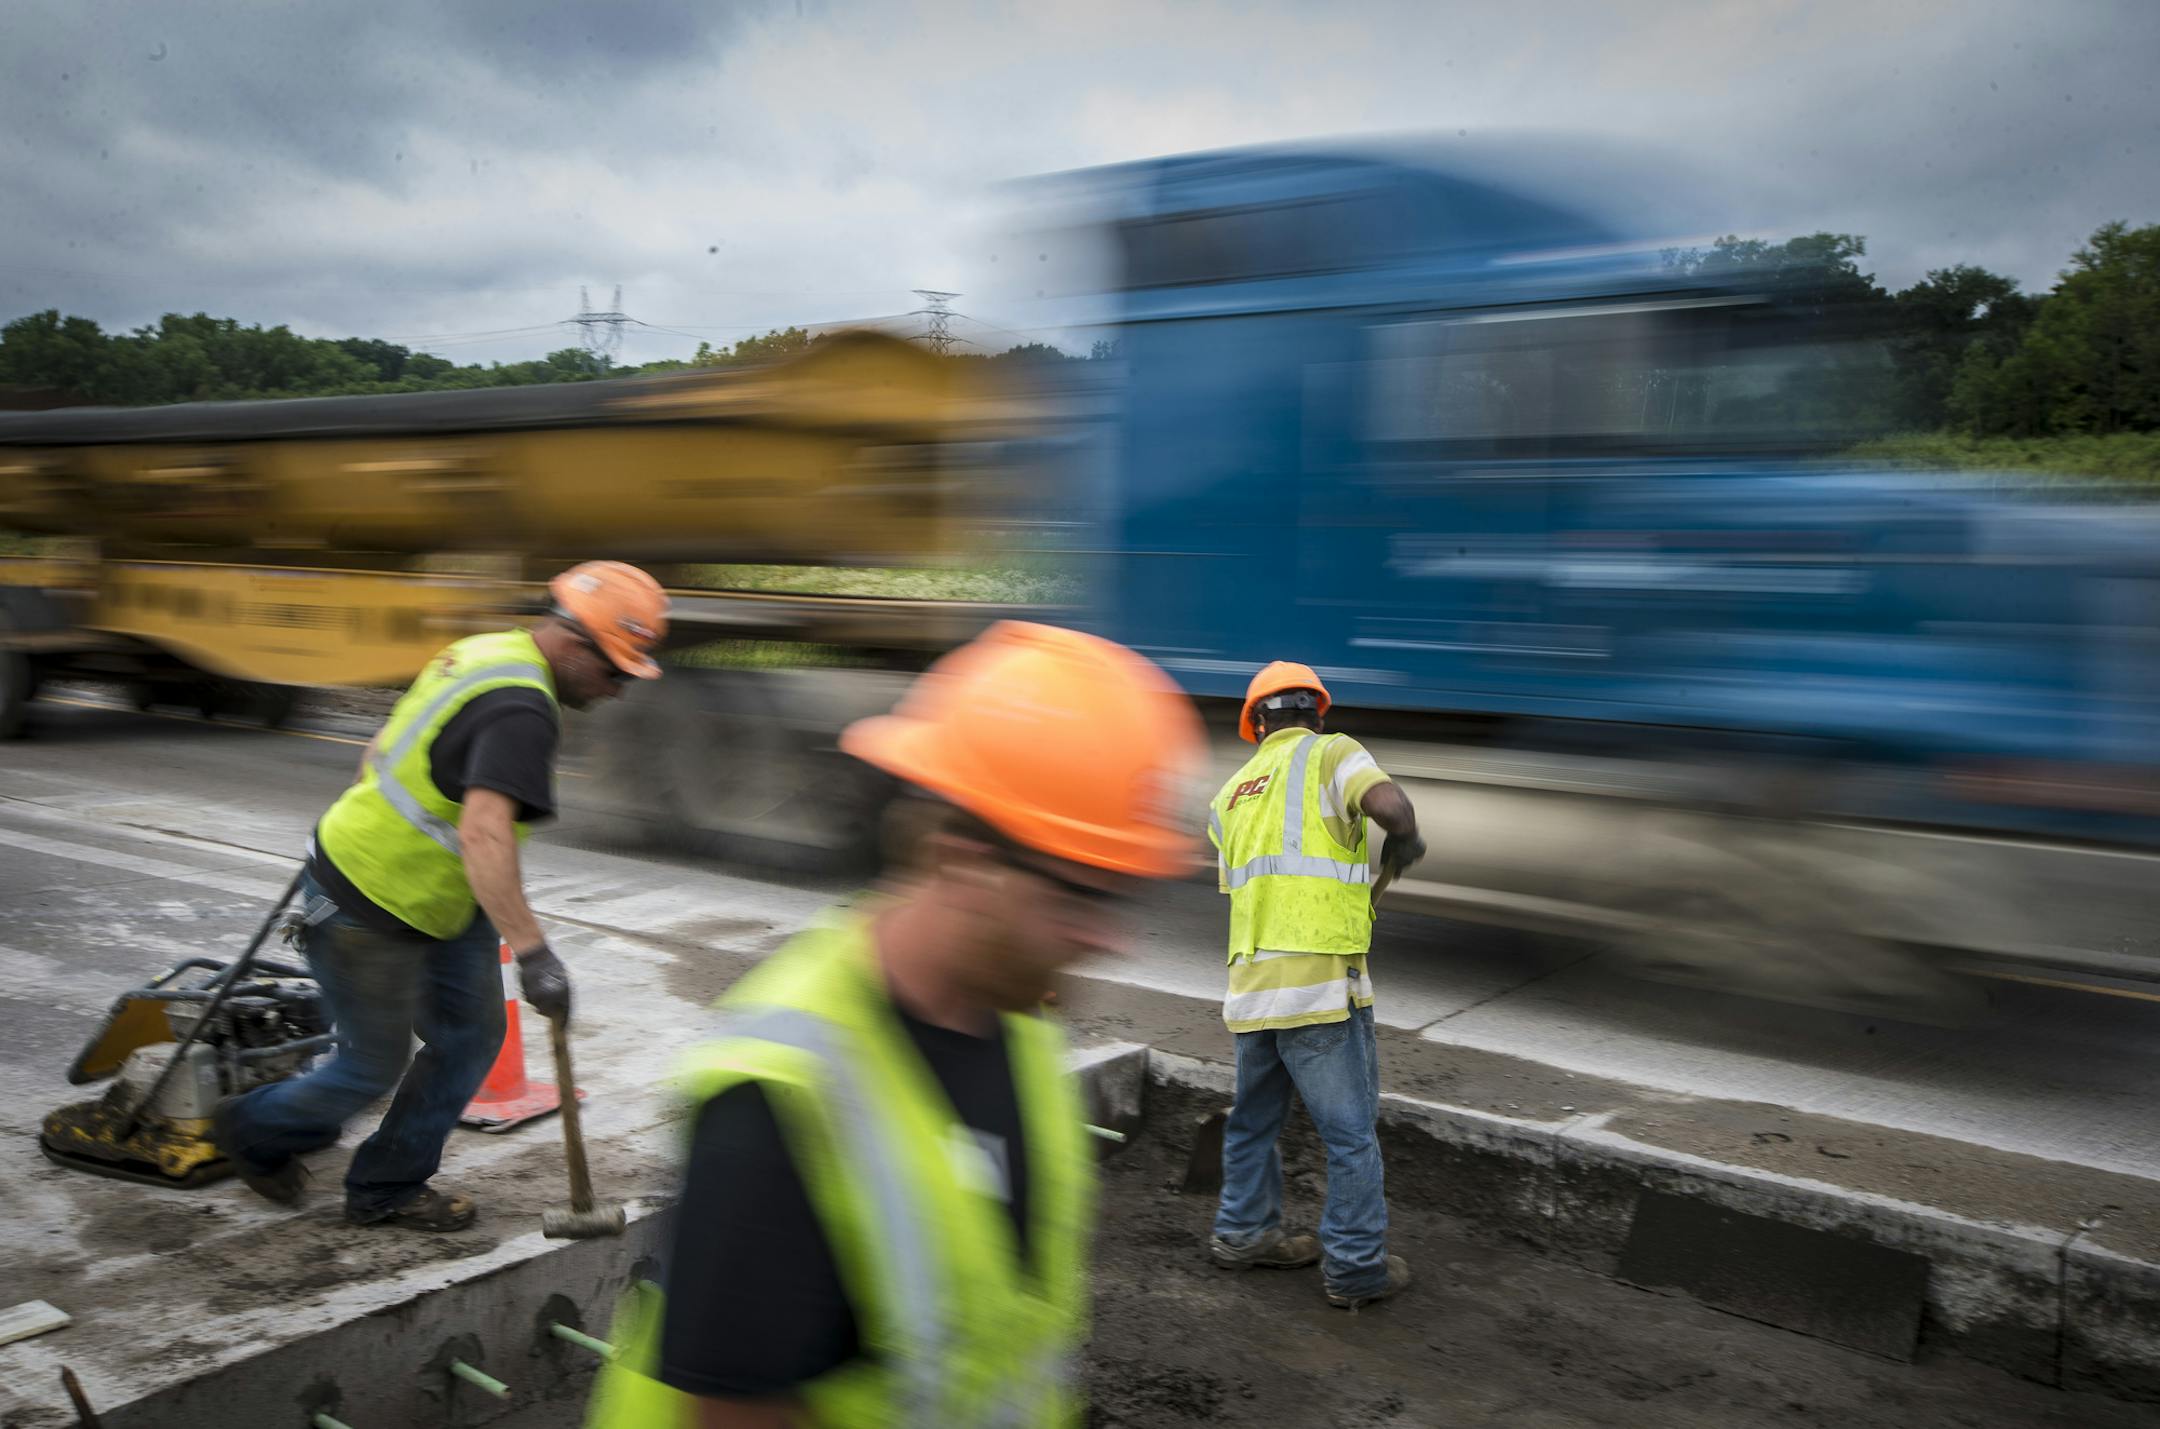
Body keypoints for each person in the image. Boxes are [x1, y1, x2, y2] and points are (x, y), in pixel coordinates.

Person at [585, 621, 1207, 1429]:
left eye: (1117, 895)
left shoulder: (1017, 1022)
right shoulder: (781, 1100)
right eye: (1077, 894)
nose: (1108, 936)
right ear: (961, 860)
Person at [213, 560, 669, 1230]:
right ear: (575, 645)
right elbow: (486, 834)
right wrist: (535, 953)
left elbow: (380, 749)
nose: (619, 690)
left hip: (437, 898)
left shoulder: (487, 650)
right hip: (367, 902)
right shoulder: (521, 710)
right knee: (369, 1066)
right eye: (616, 672)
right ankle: (252, 1127)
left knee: (472, 1035)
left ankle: (387, 1181)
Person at [1204, 660, 1426, 1308]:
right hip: (1320, 984)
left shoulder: (1230, 792)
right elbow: (1390, 804)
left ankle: (1242, 1234)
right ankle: (1356, 1268)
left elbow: (1247, 888)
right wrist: (1405, 837)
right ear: (1316, 712)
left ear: (1256, 724)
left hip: (1252, 987)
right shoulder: (1333, 753)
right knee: (1350, 1135)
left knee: (1252, 1121)